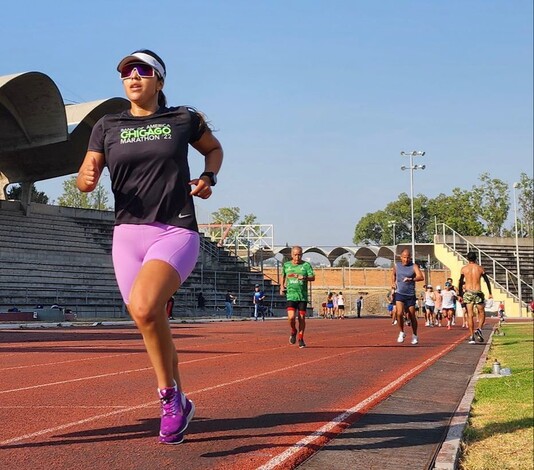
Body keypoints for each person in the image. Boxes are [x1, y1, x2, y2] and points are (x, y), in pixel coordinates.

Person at [76, 49, 223, 445]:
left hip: (174, 231)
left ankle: (169, 397)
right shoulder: (107, 126)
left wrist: (209, 176)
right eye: (126, 72)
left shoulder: (182, 120)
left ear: (159, 79)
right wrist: (86, 178)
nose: (133, 77)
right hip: (127, 234)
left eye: (143, 71)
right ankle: (183, 400)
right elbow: (85, 178)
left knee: (144, 306)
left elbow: (214, 148)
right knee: (148, 318)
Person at [281, 245, 315, 348]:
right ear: (291, 255)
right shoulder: (286, 265)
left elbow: (312, 277)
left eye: (299, 255)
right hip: (291, 295)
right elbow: (283, 275)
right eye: (295, 255)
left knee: (301, 317)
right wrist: (282, 287)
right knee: (291, 318)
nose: (297, 257)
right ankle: (293, 330)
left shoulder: (306, 265)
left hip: (302, 296)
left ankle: (300, 338)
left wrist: (304, 277)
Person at [391, 249, 425, 345]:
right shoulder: (397, 266)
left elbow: (421, 277)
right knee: (399, 313)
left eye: (408, 257)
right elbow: (393, 275)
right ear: (401, 257)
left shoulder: (414, 266)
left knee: (412, 315)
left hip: (410, 294)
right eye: (404, 257)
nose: (406, 259)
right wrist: (393, 283)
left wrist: (411, 279)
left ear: (410, 257)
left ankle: (415, 335)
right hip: (400, 293)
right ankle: (402, 332)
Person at [458, 251, 493, 344]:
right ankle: (480, 329)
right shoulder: (480, 268)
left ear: (467, 258)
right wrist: (490, 292)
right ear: (476, 258)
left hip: (468, 292)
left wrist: (460, 295)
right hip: (478, 292)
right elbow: (487, 281)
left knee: (470, 314)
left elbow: (460, 282)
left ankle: (471, 336)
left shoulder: (464, 269)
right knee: (481, 312)